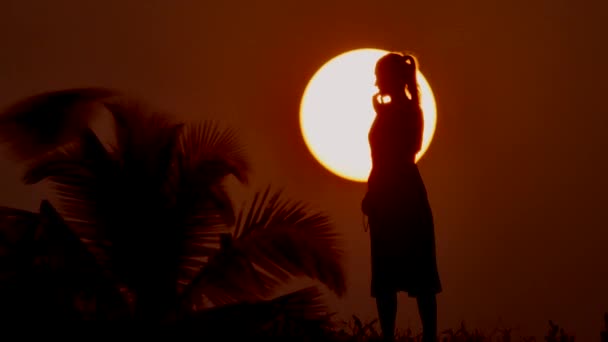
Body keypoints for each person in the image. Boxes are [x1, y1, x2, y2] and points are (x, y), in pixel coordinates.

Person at [361, 52, 442, 342]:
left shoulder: (408, 111)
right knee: (387, 275)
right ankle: (389, 337)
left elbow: (401, 155)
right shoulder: (400, 111)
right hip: (389, 195)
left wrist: (378, 191)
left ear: (392, 79)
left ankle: (428, 337)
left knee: (417, 275)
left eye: (379, 75)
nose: (375, 81)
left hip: (400, 196)